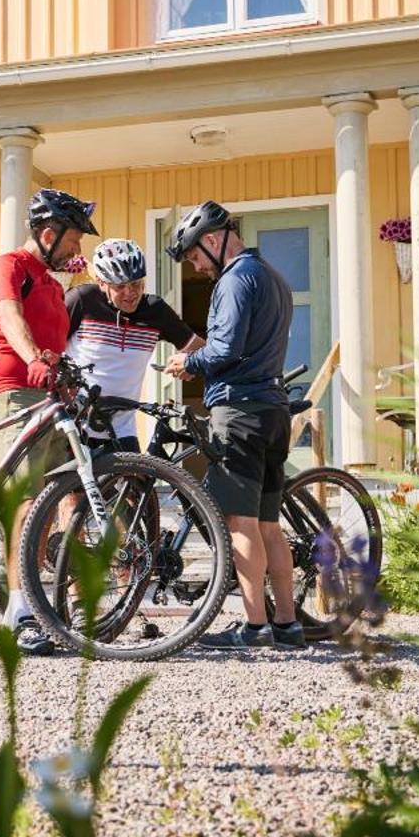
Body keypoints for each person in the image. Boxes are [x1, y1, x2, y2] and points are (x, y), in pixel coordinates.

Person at [161, 201, 304, 650]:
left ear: (214, 238)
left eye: (195, 256)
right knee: (268, 523)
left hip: (239, 412)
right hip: (273, 411)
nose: (198, 266)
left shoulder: (236, 280)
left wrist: (188, 361)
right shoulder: (274, 280)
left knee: (240, 523)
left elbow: (224, 350)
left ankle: (255, 626)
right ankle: (287, 624)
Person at [0, 186, 96, 656]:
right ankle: (19, 613)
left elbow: (58, 341)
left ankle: (65, 602)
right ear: (48, 234)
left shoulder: (50, 283)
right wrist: (34, 359)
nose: (77, 252)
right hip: (14, 392)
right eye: (72, 242)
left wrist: (64, 376)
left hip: (49, 394)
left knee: (64, 496)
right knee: (27, 501)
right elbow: (9, 316)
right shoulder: (8, 266)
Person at [65, 238, 204, 452]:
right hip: (74, 422)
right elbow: (49, 345)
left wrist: (191, 362)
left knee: (135, 484)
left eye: (136, 284)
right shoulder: (83, 300)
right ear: (102, 283)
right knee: (76, 486)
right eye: (120, 286)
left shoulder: (155, 310)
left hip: (121, 428)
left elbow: (198, 348)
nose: (130, 293)